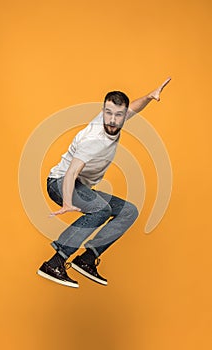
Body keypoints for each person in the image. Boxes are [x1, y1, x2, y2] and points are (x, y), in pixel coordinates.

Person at [37, 77, 171, 288]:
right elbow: (71, 171)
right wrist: (67, 202)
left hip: (79, 185)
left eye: (118, 115)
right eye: (108, 113)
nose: (111, 120)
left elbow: (133, 107)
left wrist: (149, 97)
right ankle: (55, 262)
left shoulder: (115, 118)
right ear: (103, 111)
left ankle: (87, 259)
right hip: (60, 183)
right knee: (100, 209)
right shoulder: (94, 140)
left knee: (128, 211)